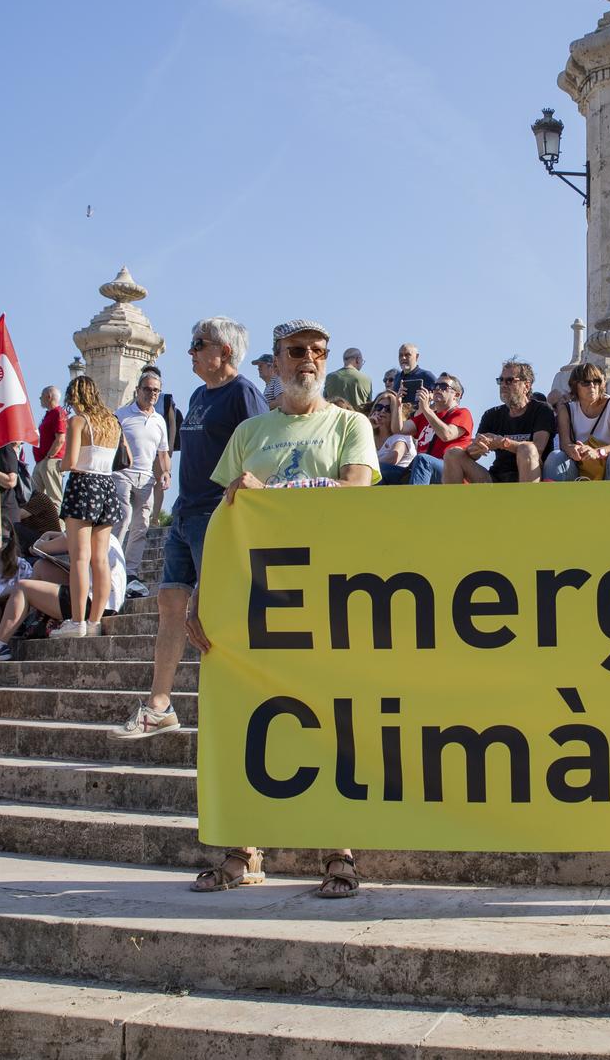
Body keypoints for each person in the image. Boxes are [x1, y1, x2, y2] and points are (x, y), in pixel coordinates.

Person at [194, 316, 377, 899]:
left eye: (318, 351)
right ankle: (244, 849)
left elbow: (354, 493)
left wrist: (273, 495)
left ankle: (340, 853)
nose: (310, 360)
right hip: (257, 602)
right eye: (297, 351)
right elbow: (222, 520)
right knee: (249, 722)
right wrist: (201, 597)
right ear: (274, 361)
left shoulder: (350, 424)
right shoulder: (250, 433)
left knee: (334, 727)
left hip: (330, 596)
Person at [113, 317, 267, 741]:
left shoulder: (245, 393)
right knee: (169, 604)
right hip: (184, 513)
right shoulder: (199, 394)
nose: (191, 352)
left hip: (216, 514)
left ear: (225, 351)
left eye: (199, 344)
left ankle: (240, 704)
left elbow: (260, 451)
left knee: (216, 614)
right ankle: (159, 705)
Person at [53, 376, 125, 639]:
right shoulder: (112, 422)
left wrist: (58, 464)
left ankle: (77, 621)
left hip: (83, 485)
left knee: (80, 558)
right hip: (107, 487)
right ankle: (94, 620)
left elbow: (70, 461)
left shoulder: (78, 421)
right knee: (100, 559)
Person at [0, 529, 127, 648]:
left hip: (93, 604)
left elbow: (39, 548)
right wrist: (52, 533)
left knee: (22, 587)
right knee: (41, 566)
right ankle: (20, 620)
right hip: (106, 601)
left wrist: (42, 540)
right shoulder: (104, 534)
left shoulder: (80, 530)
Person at [444, 359, 555, 484]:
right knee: (453, 454)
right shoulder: (492, 415)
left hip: (528, 477)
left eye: (509, 380)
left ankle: (527, 502)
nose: (503, 384)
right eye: (500, 380)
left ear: (526, 386)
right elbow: (473, 455)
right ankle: (453, 503)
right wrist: (478, 446)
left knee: (527, 449)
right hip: (496, 478)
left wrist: (501, 443)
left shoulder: (542, 410)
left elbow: (537, 449)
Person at [115, 370, 172, 599]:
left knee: (141, 526)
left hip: (146, 477)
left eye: (156, 390)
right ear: (138, 390)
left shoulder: (159, 420)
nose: (152, 394)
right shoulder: (121, 415)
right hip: (122, 474)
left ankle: (130, 571)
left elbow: (163, 451)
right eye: (147, 389)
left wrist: (166, 472)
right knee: (123, 518)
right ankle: (112, 565)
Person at [544, 363, 610, 481]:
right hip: (579, 469)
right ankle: (552, 499)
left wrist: (598, 452)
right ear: (575, 385)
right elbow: (565, 444)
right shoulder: (567, 409)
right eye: (586, 382)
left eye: (596, 381)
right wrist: (573, 450)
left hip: (609, 467)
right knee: (555, 456)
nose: (592, 386)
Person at [406, 372, 474, 480]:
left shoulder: (463, 413)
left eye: (443, 387)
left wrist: (426, 409)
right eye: (435, 386)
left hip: (450, 472)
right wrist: (397, 403)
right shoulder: (428, 415)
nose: (437, 389)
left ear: (457, 395)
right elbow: (398, 429)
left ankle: (416, 497)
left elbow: (446, 435)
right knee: (384, 470)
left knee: (422, 460)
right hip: (423, 468)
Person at [368, 393, 425, 485]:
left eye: (388, 409)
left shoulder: (402, 434)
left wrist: (364, 466)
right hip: (381, 479)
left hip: (402, 478)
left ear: (395, 413)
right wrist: (367, 426)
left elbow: (393, 458)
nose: (382, 411)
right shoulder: (370, 435)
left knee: (378, 471)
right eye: (379, 407)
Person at [30, 385, 70, 511]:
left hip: (51, 461)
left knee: (54, 499)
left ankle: (58, 528)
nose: (40, 399)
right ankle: (38, 527)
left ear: (48, 397)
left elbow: (60, 438)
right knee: (35, 499)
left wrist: (49, 456)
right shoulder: (50, 414)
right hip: (42, 462)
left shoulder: (58, 413)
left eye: (41, 396)